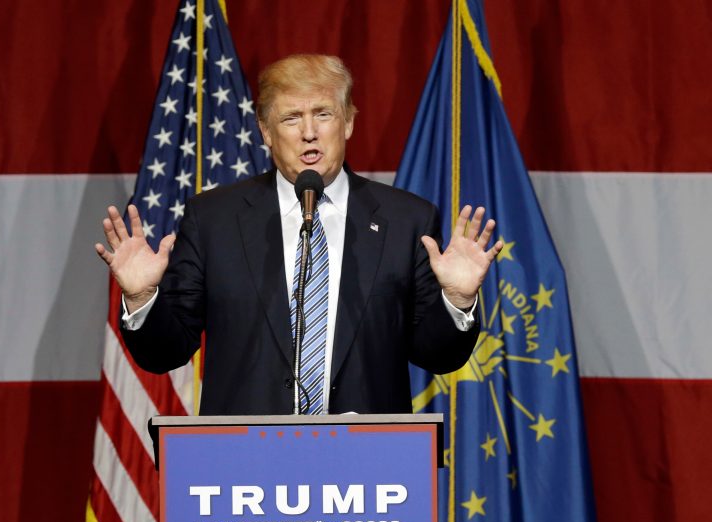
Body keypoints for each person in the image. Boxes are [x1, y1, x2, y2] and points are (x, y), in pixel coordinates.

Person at [95, 54, 502, 415]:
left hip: (366, 466)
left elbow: (437, 354)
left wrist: (458, 300)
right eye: (291, 118)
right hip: (245, 466)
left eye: (323, 114)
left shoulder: (406, 219)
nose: (309, 132)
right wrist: (142, 298)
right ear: (266, 131)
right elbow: (166, 352)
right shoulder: (213, 220)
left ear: (348, 123)